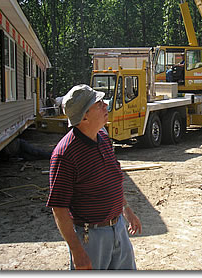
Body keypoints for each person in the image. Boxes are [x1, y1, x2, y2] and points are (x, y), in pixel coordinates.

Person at [46, 84, 142, 270]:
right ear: (84, 117)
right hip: (91, 239)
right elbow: (59, 209)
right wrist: (77, 251)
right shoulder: (65, 154)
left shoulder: (103, 137)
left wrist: (127, 211)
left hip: (118, 229)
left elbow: (111, 181)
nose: (105, 105)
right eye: (98, 104)